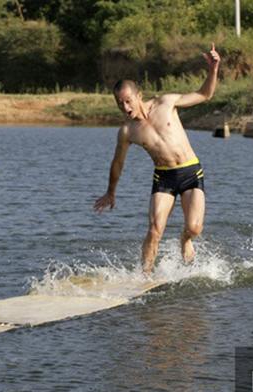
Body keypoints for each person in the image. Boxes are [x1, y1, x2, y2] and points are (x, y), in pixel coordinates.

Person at [94, 43, 220, 274]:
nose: (126, 107)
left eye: (129, 100)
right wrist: (110, 191)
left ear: (139, 95)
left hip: (191, 171)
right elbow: (118, 163)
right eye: (120, 103)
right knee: (154, 230)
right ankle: (146, 274)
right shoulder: (127, 132)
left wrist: (213, 69)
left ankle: (185, 240)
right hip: (164, 177)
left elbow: (205, 94)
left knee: (194, 227)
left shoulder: (166, 103)